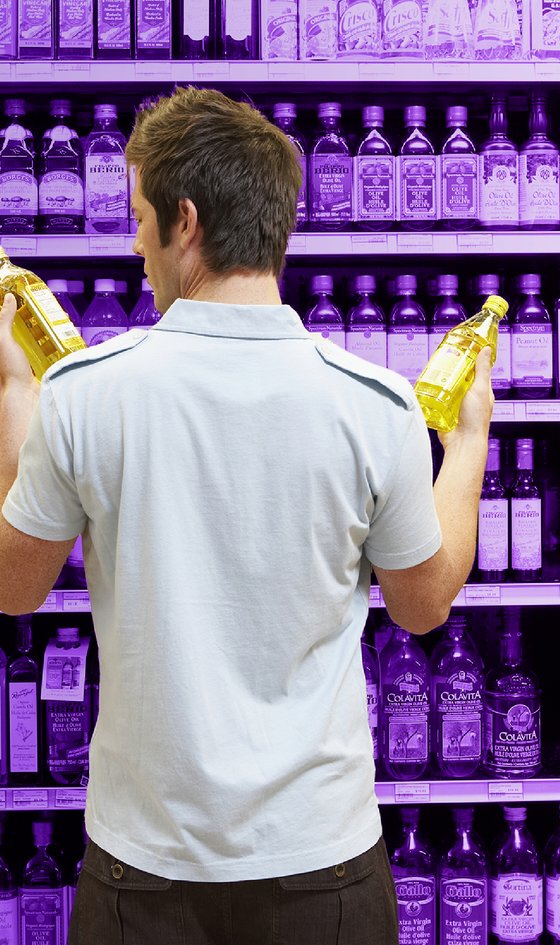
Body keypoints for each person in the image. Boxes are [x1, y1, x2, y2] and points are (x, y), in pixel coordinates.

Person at [0, 86, 493, 945]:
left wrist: (15, 388)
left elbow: (14, 586)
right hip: (324, 864)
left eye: (140, 218)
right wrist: (472, 436)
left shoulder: (84, 394)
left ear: (185, 221)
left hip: (144, 871)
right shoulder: (373, 404)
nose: (135, 243)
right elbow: (424, 603)